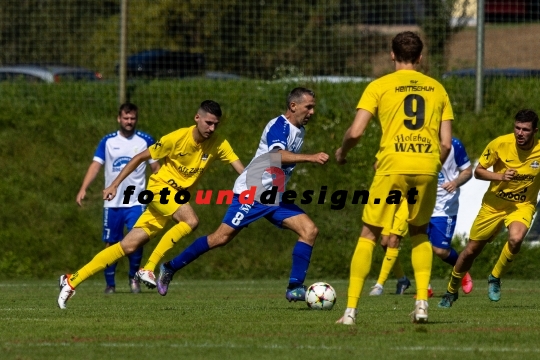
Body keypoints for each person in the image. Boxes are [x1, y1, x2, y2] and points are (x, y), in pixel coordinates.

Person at [58, 100, 244, 309]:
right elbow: (140, 157)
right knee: (191, 220)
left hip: (173, 199)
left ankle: (72, 280)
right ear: (197, 118)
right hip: (159, 189)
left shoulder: (219, 143)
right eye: (209, 123)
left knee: (127, 246)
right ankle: (150, 267)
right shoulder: (176, 139)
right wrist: (114, 185)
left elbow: (240, 169)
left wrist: (257, 187)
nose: (212, 128)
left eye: (216, 124)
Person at [154, 87, 329, 301]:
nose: (312, 112)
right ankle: (170, 267)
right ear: (293, 106)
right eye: (308, 107)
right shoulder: (279, 126)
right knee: (220, 238)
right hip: (251, 192)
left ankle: (294, 287)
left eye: (313, 107)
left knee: (309, 230)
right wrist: (310, 158)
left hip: (272, 197)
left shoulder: (299, 130)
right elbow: (276, 156)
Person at [334, 31, 453, 324]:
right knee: (419, 234)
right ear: (420, 58)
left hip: (391, 165)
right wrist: (429, 162)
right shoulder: (437, 88)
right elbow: (447, 143)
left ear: (392, 54)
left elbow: (357, 131)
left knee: (369, 234)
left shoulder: (379, 86)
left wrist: (342, 150)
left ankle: (350, 311)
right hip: (426, 165)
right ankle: (422, 304)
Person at [439, 109, 540, 307]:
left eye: (525, 130)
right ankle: (451, 291)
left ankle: (495, 277)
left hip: (522, 205)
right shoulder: (500, 144)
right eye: (517, 128)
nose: (520, 133)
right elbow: (478, 172)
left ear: (534, 131)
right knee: (470, 252)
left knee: (516, 238)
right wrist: (501, 176)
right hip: (493, 205)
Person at [369, 138, 473, 297]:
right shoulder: (414, 142)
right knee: (417, 244)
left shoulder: (454, 145)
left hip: (443, 206)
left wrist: (455, 182)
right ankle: (425, 288)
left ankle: (461, 269)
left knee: (439, 250)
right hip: (417, 201)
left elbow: (467, 171)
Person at [76, 103, 160, 294]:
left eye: (132, 118)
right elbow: (96, 165)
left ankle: (133, 278)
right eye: (126, 118)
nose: (129, 122)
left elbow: (156, 168)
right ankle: (110, 284)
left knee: (136, 240)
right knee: (111, 243)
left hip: (136, 202)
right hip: (112, 203)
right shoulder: (107, 141)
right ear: (119, 119)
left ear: (136, 119)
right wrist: (83, 188)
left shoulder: (145, 140)